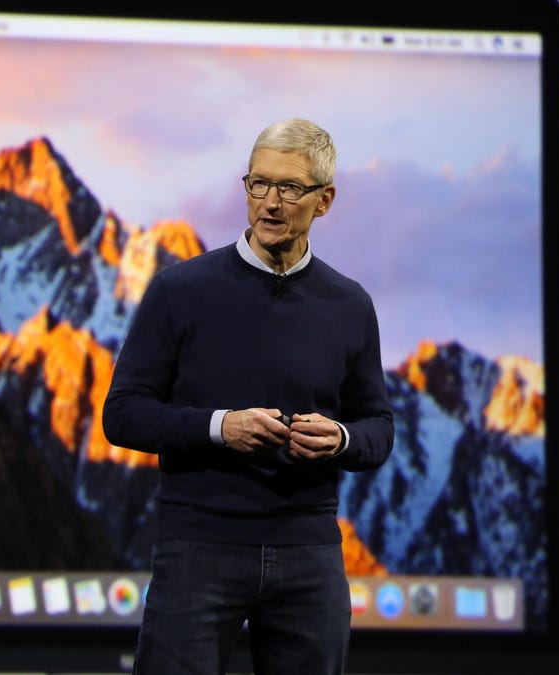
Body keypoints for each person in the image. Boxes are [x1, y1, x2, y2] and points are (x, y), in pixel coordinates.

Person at [102, 118, 395, 675]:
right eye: (258, 184)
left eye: (289, 188)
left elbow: (378, 426)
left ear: (324, 200)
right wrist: (220, 428)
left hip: (309, 555)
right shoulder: (180, 290)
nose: (270, 202)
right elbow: (123, 415)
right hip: (198, 549)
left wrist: (341, 438)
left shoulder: (350, 305)